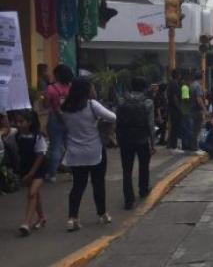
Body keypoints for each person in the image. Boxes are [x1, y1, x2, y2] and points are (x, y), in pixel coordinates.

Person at [61, 77, 116, 232]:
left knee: (78, 185)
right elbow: (112, 117)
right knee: (98, 184)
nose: (94, 90)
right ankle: (102, 214)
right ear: (87, 90)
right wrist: (97, 121)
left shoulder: (65, 107)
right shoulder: (92, 105)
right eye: (92, 87)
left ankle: (72, 218)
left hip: (75, 152)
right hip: (94, 150)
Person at [116, 77, 155, 210]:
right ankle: (143, 189)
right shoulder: (148, 102)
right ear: (144, 88)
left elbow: (118, 121)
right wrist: (153, 144)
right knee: (144, 165)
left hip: (125, 139)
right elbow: (150, 124)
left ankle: (128, 199)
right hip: (142, 139)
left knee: (127, 170)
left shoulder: (121, 101)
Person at [14, 110, 48, 236]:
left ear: (29, 123)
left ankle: (27, 223)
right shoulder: (17, 136)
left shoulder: (38, 137)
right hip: (25, 168)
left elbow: (40, 156)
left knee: (32, 192)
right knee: (35, 194)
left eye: (21, 121)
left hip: (38, 169)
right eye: (17, 122)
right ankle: (41, 217)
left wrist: (31, 173)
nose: (18, 124)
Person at [44, 64, 73, 182]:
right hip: (69, 119)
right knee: (70, 147)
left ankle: (52, 175)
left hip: (54, 119)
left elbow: (45, 104)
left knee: (55, 146)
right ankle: (73, 172)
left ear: (57, 74)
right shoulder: (71, 88)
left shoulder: (51, 89)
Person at [166, 70, 182, 150]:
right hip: (174, 109)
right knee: (175, 127)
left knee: (173, 127)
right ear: (178, 75)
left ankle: (171, 144)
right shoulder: (174, 84)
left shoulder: (170, 83)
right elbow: (175, 97)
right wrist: (178, 108)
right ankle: (173, 145)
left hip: (171, 108)